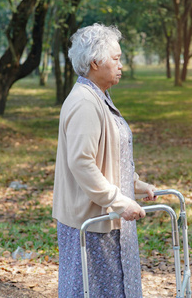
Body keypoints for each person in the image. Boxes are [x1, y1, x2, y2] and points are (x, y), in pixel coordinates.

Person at [52, 23, 156, 298]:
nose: (121, 64)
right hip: (95, 222)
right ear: (95, 62)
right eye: (116, 58)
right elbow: (82, 163)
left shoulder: (99, 97)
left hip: (109, 216)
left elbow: (109, 152)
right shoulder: (85, 102)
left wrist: (135, 184)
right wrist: (119, 200)